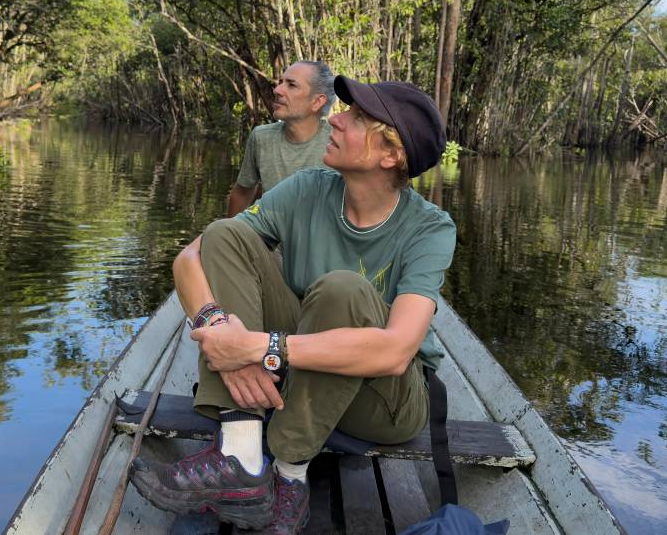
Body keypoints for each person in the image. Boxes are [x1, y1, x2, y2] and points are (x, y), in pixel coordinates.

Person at [130, 76, 455, 534]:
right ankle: (241, 453)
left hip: (384, 401)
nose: (335, 121)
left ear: (391, 155)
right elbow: (190, 258)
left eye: (357, 118)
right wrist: (218, 327)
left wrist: (256, 348)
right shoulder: (308, 189)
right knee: (226, 234)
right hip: (299, 366)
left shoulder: (429, 228)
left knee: (343, 290)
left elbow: (395, 351)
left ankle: (291, 473)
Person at [226, 61, 335, 217]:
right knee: (213, 233)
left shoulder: (338, 142)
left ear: (317, 101)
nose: (277, 90)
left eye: (292, 85)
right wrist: (232, 235)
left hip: (320, 238)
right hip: (271, 237)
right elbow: (242, 193)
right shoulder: (261, 137)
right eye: (281, 82)